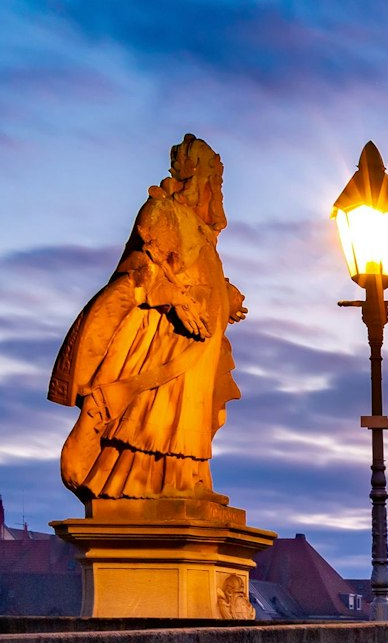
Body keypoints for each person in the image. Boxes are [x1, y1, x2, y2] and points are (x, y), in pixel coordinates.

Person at [49, 135, 246, 504]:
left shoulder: (200, 231)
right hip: (168, 339)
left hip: (199, 342)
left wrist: (224, 294)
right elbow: (141, 269)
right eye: (214, 179)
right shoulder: (162, 212)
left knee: (190, 416)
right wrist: (178, 302)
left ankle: (187, 479)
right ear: (197, 178)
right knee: (158, 414)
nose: (217, 190)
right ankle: (138, 482)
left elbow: (194, 273)